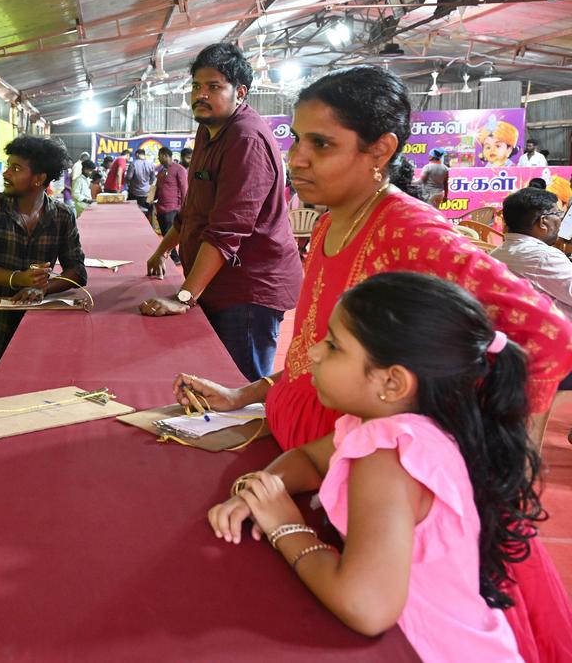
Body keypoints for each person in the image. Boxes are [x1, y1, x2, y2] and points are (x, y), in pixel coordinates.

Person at [174, 65, 572, 662]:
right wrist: (249, 394)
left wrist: (497, 463)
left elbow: (546, 331)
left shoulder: (413, 232)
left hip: (379, 502)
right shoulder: (336, 218)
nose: (297, 160)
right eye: (296, 141)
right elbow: (317, 348)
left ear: (380, 150)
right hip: (324, 464)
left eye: (321, 144)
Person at [208, 272, 539, 660]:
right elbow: (310, 458)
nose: (314, 353)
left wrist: (283, 524)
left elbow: (366, 607)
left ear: (393, 383)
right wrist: (266, 487)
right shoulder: (408, 427)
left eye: (334, 346)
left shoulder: (386, 456)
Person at [140, 43, 302, 382]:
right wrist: (162, 249)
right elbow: (195, 208)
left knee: (239, 386)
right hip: (216, 283)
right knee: (213, 382)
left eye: (213, 87)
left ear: (239, 92)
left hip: (247, 289)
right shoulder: (208, 130)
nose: (201, 95)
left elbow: (229, 228)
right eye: (196, 86)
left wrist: (184, 296)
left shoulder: (246, 139)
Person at [0, 135, 87, 371]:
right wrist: (18, 278)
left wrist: (42, 288)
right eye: (8, 166)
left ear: (39, 178)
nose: (6, 174)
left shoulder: (62, 216)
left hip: (39, 324)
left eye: (15, 168)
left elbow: (77, 271)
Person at [492, 187, 572, 320]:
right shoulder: (545, 257)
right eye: (558, 214)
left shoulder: (497, 253)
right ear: (543, 222)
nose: (560, 221)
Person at [151, 146, 188, 238]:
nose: (158, 159)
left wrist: (184, 208)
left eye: (159, 156)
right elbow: (156, 187)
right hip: (160, 209)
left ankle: (173, 253)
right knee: (164, 236)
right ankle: (170, 252)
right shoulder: (161, 171)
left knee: (169, 237)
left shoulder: (179, 169)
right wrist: (149, 200)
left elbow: (184, 189)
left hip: (172, 209)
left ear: (165, 155)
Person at [126, 147, 159, 223]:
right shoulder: (151, 164)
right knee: (146, 214)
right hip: (146, 194)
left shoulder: (133, 163)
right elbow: (153, 179)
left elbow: (129, 177)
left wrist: (128, 183)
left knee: (132, 214)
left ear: (137, 154)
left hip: (134, 193)